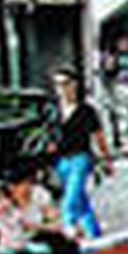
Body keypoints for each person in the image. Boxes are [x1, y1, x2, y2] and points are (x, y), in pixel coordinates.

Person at [49, 68, 114, 240]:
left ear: (75, 85)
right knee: (80, 198)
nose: (61, 89)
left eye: (65, 84)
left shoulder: (87, 110)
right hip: (61, 160)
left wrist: (107, 159)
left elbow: (99, 136)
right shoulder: (53, 110)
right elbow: (48, 133)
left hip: (80, 158)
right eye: (57, 85)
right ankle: (94, 231)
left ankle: (69, 227)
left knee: (70, 197)